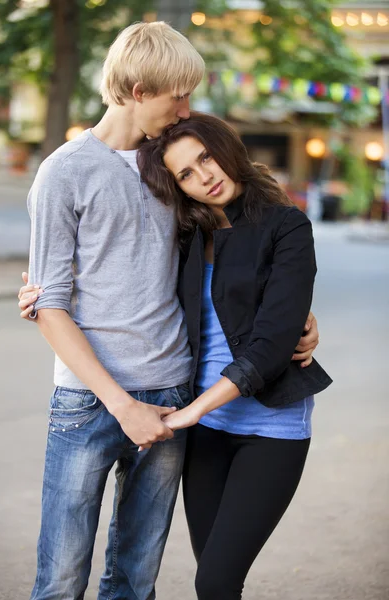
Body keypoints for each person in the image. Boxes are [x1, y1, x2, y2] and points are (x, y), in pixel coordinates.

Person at [17, 22, 320, 600]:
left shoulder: (171, 173)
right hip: (90, 398)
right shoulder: (65, 171)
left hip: (173, 393)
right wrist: (117, 400)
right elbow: (52, 299)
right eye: (177, 95)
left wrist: (296, 324)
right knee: (60, 577)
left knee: (135, 576)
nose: (187, 109)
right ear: (137, 92)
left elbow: (241, 265)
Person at [136, 111, 332, 600]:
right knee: (217, 581)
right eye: (185, 173)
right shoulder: (185, 236)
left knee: (216, 579)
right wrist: (48, 293)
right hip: (205, 434)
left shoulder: (286, 225)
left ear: (226, 149)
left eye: (205, 157)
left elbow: (268, 348)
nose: (204, 176)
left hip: (269, 428)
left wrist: (191, 412)